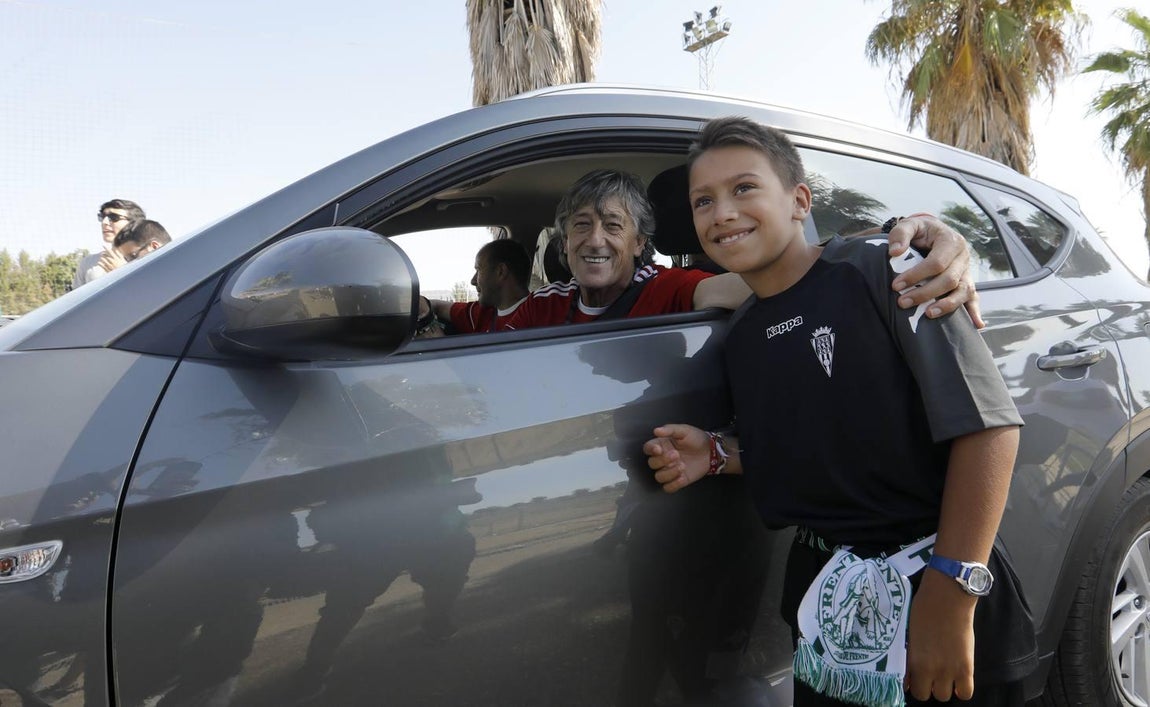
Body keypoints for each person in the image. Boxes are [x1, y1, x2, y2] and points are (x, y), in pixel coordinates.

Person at [643, 117, 1035, 706]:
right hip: (829, 610)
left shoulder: (888, 272)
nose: (722, 212)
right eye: (705, 201)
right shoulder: (745, 332)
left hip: (936, 584)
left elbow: (990, 430)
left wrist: (951, 594)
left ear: (800, 200)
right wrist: (721, 454)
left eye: (744, 188)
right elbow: (825, 441)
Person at [501, 169, 984, 331]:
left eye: (612, 226)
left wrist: (902, 231)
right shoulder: (546, 303)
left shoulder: (672, 287)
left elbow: (791, 270)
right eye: (581, 226)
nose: (596, 240)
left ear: (640, 243)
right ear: (565, 242)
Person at [424, 239, 531, 334]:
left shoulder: (537, 312)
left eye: (478, 270)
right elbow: (437, 306)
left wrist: (430, 332)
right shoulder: (483, 313)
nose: (473, 281)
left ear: (500, 272)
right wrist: (422, 308)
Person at [73, 198, 145, 289]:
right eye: (102, 217)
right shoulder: (88, 263)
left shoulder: (149, 260)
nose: (104, 222)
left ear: (134, 223)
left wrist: (123, 271)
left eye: (113, 218)